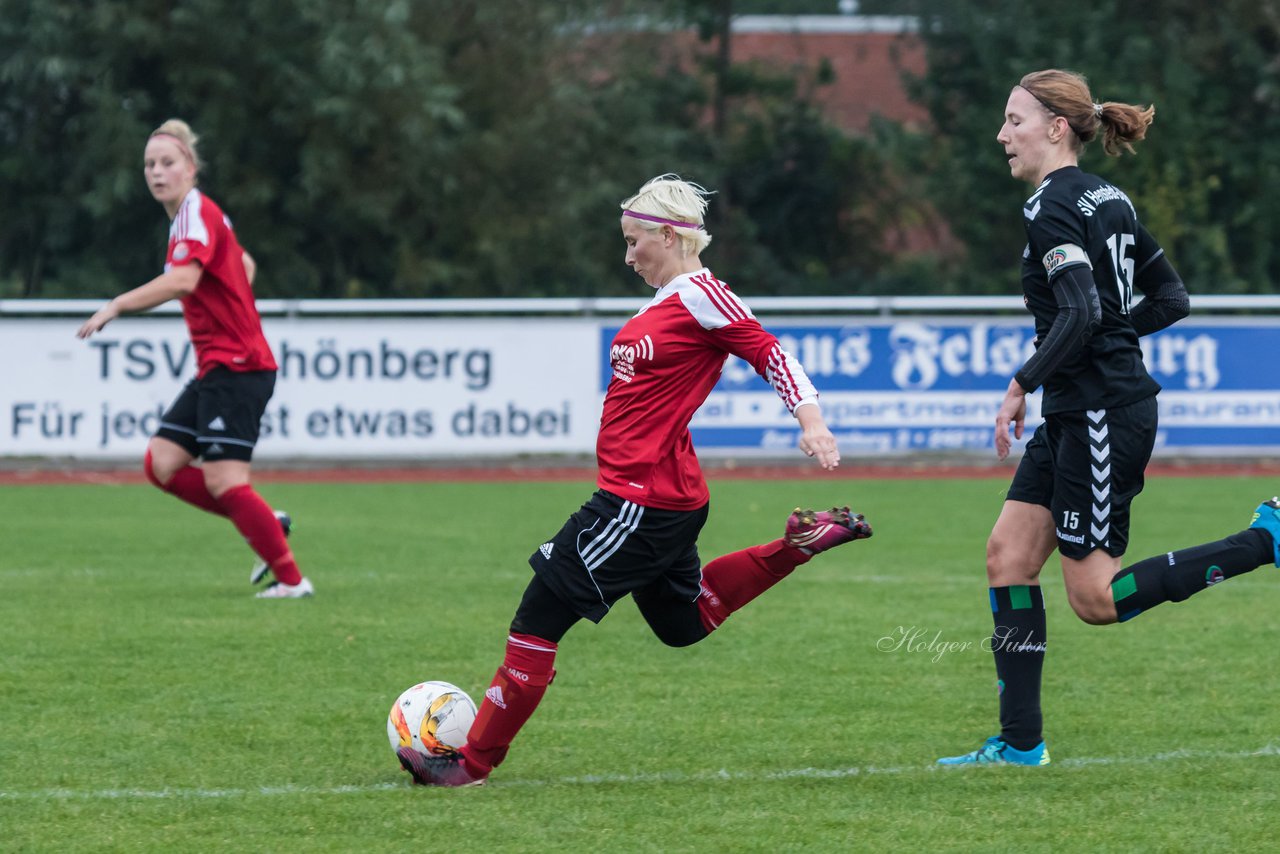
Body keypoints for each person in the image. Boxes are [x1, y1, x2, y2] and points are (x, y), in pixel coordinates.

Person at [397, 174, 872, 787]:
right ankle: (796, 546)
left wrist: (812, 422)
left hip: (635, 503)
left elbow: (769, 352)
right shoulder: (664, 304)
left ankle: (471, 763)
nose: (627, 256)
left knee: (537, 616)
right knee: (684, 623)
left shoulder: (703, 295)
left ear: (670, 237)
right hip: (663, 497)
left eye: (634, 242)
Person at [937, 69, 1279, 767]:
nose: (1002, 135)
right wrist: (1102, 345)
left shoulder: (1052, 206)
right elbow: (1172, 298)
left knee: (1096, 599)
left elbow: (1083, 310)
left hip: (1100, 412)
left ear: (1056, 128)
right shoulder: (1109, 198)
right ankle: (1019, 744)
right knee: (1007, 558)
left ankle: (1266, 537)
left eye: (1014, 120)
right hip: (1079, 406)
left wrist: (1021, 382)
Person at [77, 119, 312, 599]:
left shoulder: (192, 213)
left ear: (190, 168)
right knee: (161, 463)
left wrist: (116, 304)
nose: (156, 172)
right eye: (149, 165)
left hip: (239, 364)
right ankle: (266, 523)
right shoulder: (201, 216)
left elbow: (183, 281)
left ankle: (292, 582)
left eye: (167, 163)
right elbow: (244, 265)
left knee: (226, 481)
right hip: (219, 364)